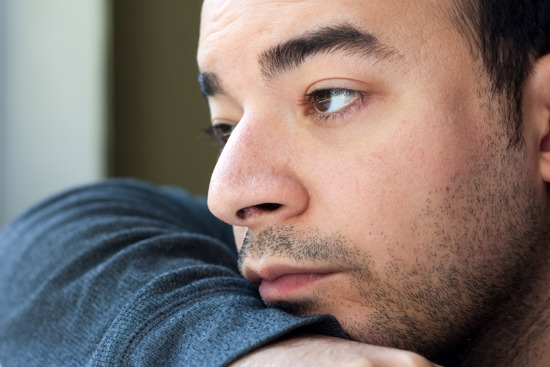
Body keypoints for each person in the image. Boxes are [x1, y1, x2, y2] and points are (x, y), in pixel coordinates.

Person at [1, 0, 549, 366]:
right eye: (225, 125)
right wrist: (259, 353)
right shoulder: (246, 293)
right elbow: (51, 250)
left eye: (329, 97)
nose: (230, 195)